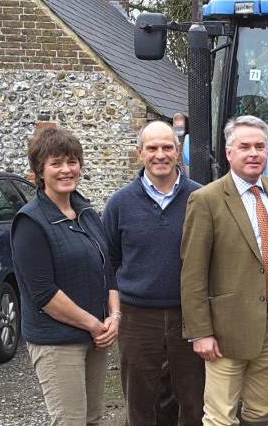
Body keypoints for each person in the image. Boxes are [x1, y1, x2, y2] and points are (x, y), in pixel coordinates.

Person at [180, 115, 268, 426]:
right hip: (226, 330)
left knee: (263, 410)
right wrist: (200, 332)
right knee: (220, 416)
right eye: (245, 147)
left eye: (260, 146)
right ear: (229, 152)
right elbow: (193, 273)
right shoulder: (206, 200)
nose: (253, 153)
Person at [11, 127, 119, 425]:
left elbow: (107, 270)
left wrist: (115, 317)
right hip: (57, 343)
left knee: (92, 418)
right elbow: (44, 294)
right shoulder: (30, 222)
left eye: (72, 162)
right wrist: (95, 324)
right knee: (70, 420)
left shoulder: (86, 212)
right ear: (39, 170)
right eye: (56, 163)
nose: (66, 170)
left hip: (95, 337)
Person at [103, 121, 205, 425]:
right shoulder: (119, 204)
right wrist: (115, 314)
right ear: (139, 153)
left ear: (178, 152)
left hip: (188, 315)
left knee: (193, 400)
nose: (160, 154)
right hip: (137, 318)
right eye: (152, 148)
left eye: (167, 147)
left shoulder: (200, 198)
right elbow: (110, 261)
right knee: (141, 401)